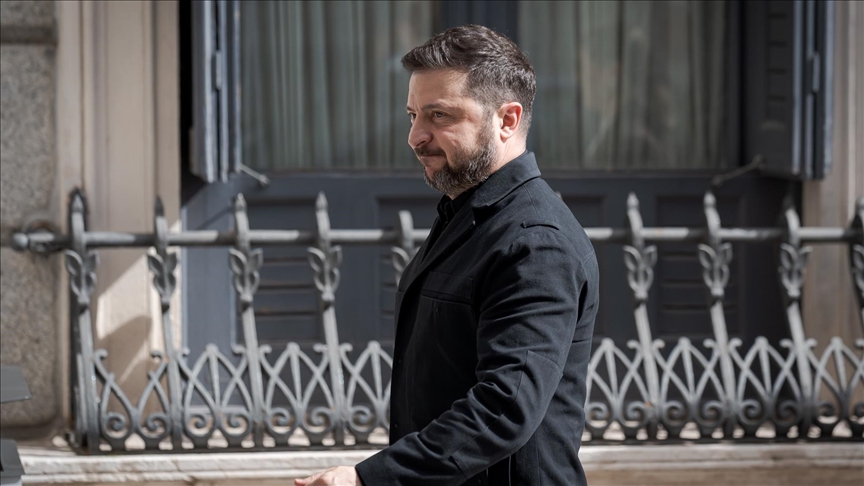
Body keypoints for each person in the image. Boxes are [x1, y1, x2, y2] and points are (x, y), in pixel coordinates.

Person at [296, 24, 598, 486]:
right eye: (413, 115)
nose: (415, 136)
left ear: (507, 120)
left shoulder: (536, 241)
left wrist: (370, 478)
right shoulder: (467, 214)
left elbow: (504, 407)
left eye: (439, 115)